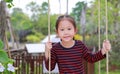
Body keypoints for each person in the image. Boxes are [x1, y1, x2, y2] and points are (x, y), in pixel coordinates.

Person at [45, 15, 111, 74]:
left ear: (75, 31)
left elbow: (91, 59)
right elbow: (50, 68)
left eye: (69, 29)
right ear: (57, 32)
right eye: (62, 29)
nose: (66, 32)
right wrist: (47, 51)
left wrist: (103, 50)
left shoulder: (80, 45)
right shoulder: (55, 48)